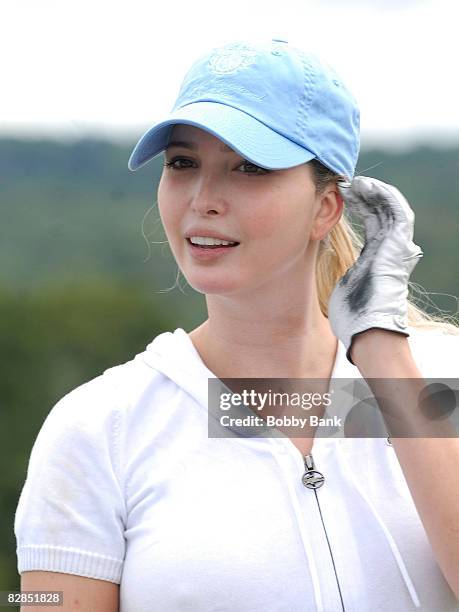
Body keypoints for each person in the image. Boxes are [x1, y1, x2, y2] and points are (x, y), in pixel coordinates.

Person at [14, 38, 459, 611]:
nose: (203, 198)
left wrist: (380, 352)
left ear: (326, 207)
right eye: (183, 163)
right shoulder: (102, 427)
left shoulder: (441, 378)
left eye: (249, 167)